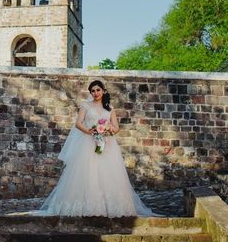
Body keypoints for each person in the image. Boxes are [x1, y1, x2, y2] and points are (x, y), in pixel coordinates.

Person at [38, 80, 154, 217]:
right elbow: (78, 123)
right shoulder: (86, 106)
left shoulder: (110, 108)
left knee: (108, 173)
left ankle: (109, 206)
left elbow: (116, 127)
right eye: (93, 91)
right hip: (88, 142)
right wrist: (91, 132)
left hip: (107, 144)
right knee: (88, 172)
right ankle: (84, 205)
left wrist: (108, 131)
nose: (95, 93)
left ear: (103, 91)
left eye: (98, 90)